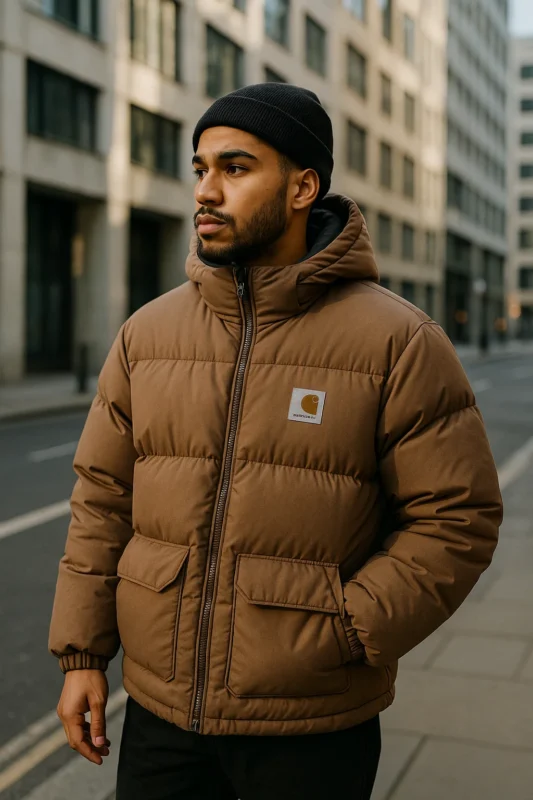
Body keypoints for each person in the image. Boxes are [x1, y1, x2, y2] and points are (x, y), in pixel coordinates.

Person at [49, 84, 503, 800]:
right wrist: (82, 656)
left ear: (302, 186)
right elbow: (102, 503)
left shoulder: (399, 341)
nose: (206, 190)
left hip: (311, 726)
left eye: (234, 168)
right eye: (199, 169)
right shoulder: (148, 335)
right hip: (163, 720)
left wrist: (346, 631)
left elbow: (457, 519)